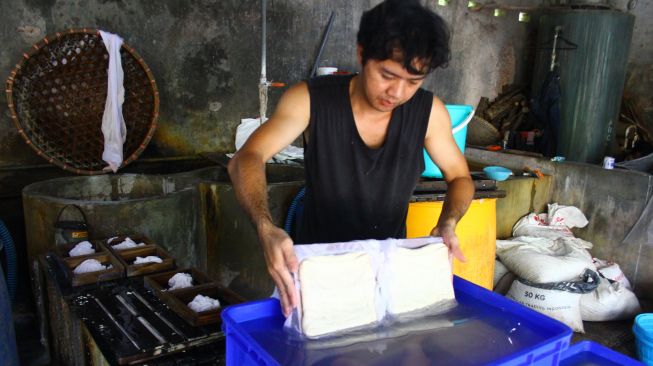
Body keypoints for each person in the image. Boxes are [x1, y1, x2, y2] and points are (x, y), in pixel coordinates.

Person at [228, 0, 474, 317]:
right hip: (315, 273)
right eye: (387, 74)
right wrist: (265, 227)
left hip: (386, 271)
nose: (397, 92)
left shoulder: (429, 113)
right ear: (361, 55)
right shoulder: (310, 100)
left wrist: (448, 222)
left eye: (413, 82)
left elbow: (459, 177)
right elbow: (247, 157)